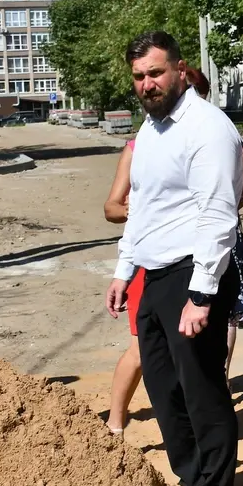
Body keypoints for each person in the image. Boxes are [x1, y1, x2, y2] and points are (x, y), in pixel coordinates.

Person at [105, 31, 243, 486]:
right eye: (139, 76)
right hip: (155, 275)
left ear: (181, 70)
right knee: (165, 389)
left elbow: (218, 213)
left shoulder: (207, 127)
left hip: (194, 274)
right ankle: (191, 477)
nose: (147, 84)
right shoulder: (150, 129)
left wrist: (202, 294)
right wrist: (125, 268)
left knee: (202, 388)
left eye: (156, 73)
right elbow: (142, 205)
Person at [185, 66, 243, 373]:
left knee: (226, 310)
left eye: (195, 94)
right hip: (182, 237)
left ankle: (222, 376)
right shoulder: (160, 132)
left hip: (221, 233)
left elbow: (242, 195)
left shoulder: (217, 129)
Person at [103, 140, 144, 436]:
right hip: (148, 259)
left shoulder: (208, 133)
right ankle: (115, 423)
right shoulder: (138, 146)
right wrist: (141, 210)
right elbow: (111, 207)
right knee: (142, 348)